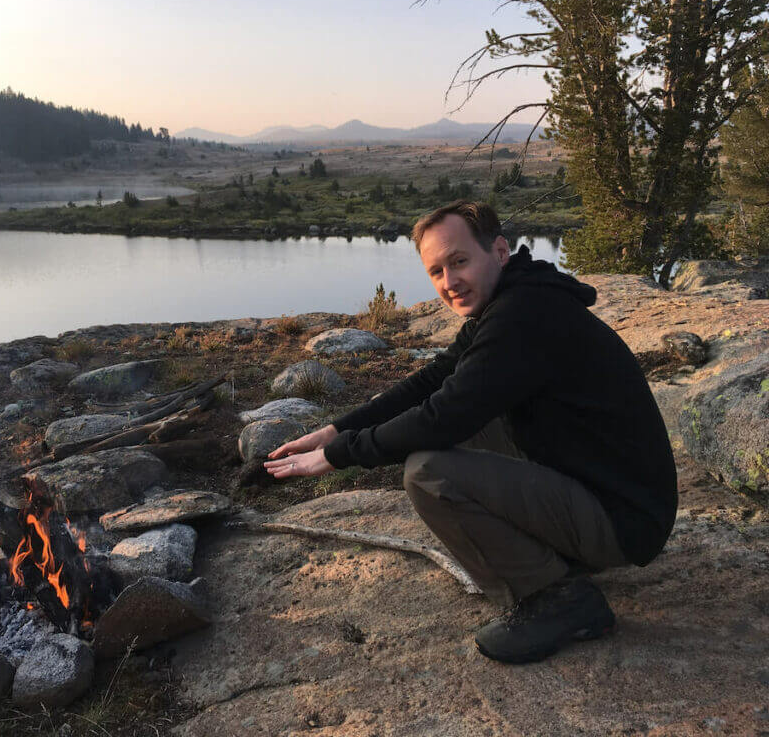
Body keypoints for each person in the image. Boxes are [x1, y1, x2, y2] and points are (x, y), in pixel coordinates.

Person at [264, 200, 677, 664]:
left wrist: (340, 454)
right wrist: (336, 429)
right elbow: (434, 380)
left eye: (459, 262)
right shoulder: (512, 298)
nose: (449, 282)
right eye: (436, 271)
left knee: (429, 471)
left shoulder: (523, 314)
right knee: (457, 427)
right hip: (606, 491)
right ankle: (555, 561)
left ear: (498, 251)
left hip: (621, 519)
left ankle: (555, 598)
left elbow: (445, 415)